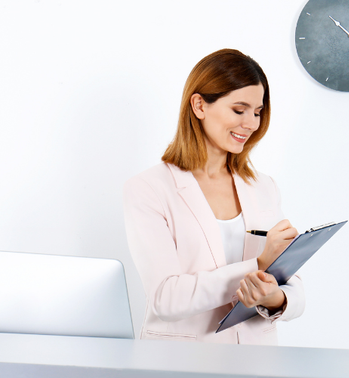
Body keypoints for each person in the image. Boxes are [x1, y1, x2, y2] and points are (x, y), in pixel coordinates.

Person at [122, 48, 304, 345]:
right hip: (181, 361)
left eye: (257, 112)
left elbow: (294, 289)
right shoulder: (149, 188)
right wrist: (257, 266)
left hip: (255, 360)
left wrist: (274, 298)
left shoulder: (263, 187)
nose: (251, 124)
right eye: (239, 109)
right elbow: (165, 299)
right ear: (199, 105)